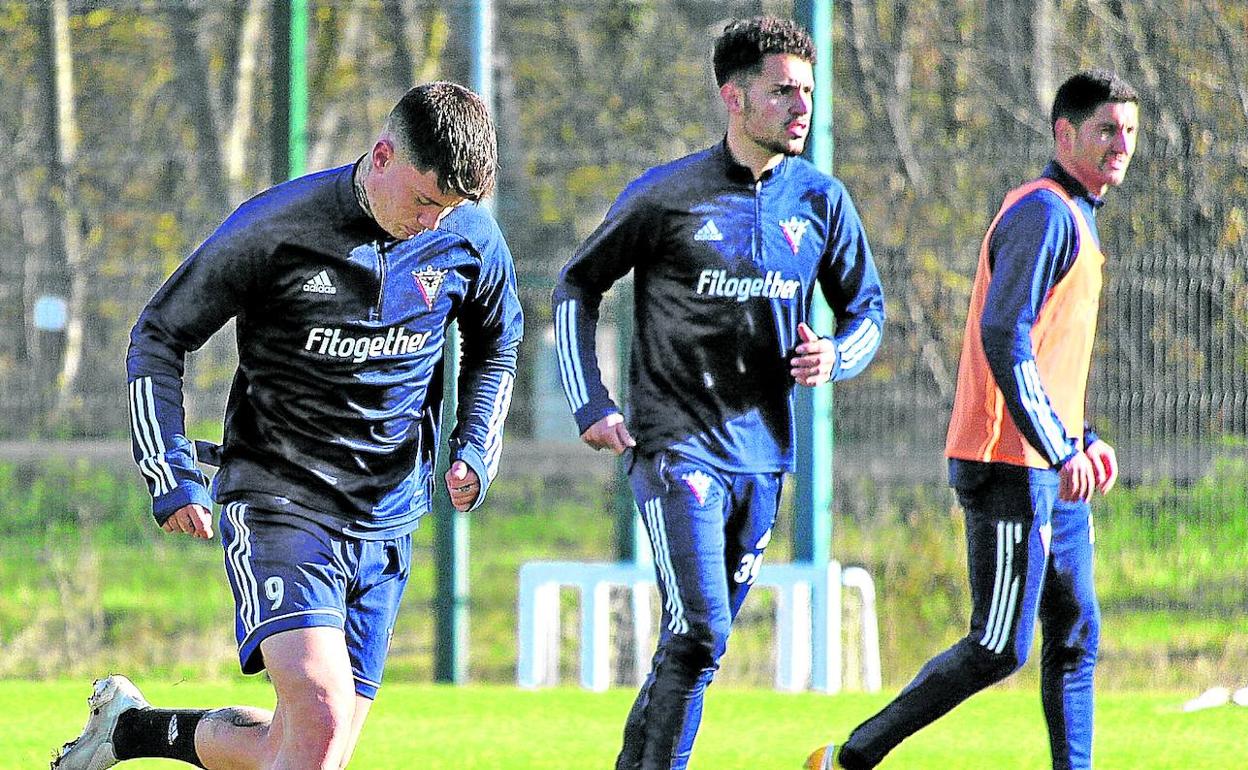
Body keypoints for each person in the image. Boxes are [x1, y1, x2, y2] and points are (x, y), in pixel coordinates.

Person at [52, 81, 523, 770]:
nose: (432, 222)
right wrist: (169, 469)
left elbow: (497, 342)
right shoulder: (278, 227)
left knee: (306, 748)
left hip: (387, 516)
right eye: (424, 201)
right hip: (281, 500)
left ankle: (131, 732)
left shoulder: (469, 236)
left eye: (448, 209)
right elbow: (160, 333)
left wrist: (475, 444)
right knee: (322, 717)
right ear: (383, 156)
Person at [553, 16, 885, 770]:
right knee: (702, 631)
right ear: (734, 98)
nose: (801, 107)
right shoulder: (667, 196)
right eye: (782, 92)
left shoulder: (822, 201)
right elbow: (577, 285)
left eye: (807, 92)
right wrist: (591, 403)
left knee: (692, 646)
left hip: (763, 459)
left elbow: (869, 312)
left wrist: (835, 355)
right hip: (677, 450)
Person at [805, 69, 1139, 770]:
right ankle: (847, 758)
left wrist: (1082, 440)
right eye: (1106, 129)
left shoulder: (1077, 216)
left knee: (1075, 634)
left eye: (1130, 131)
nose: (1121, 144)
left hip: (1052, 461)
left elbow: (1047, 352)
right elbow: (1003, 335)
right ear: (1065, 134)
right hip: (1009, 460)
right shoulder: (1044, 213)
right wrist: (1059, 448)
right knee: (998, 646)